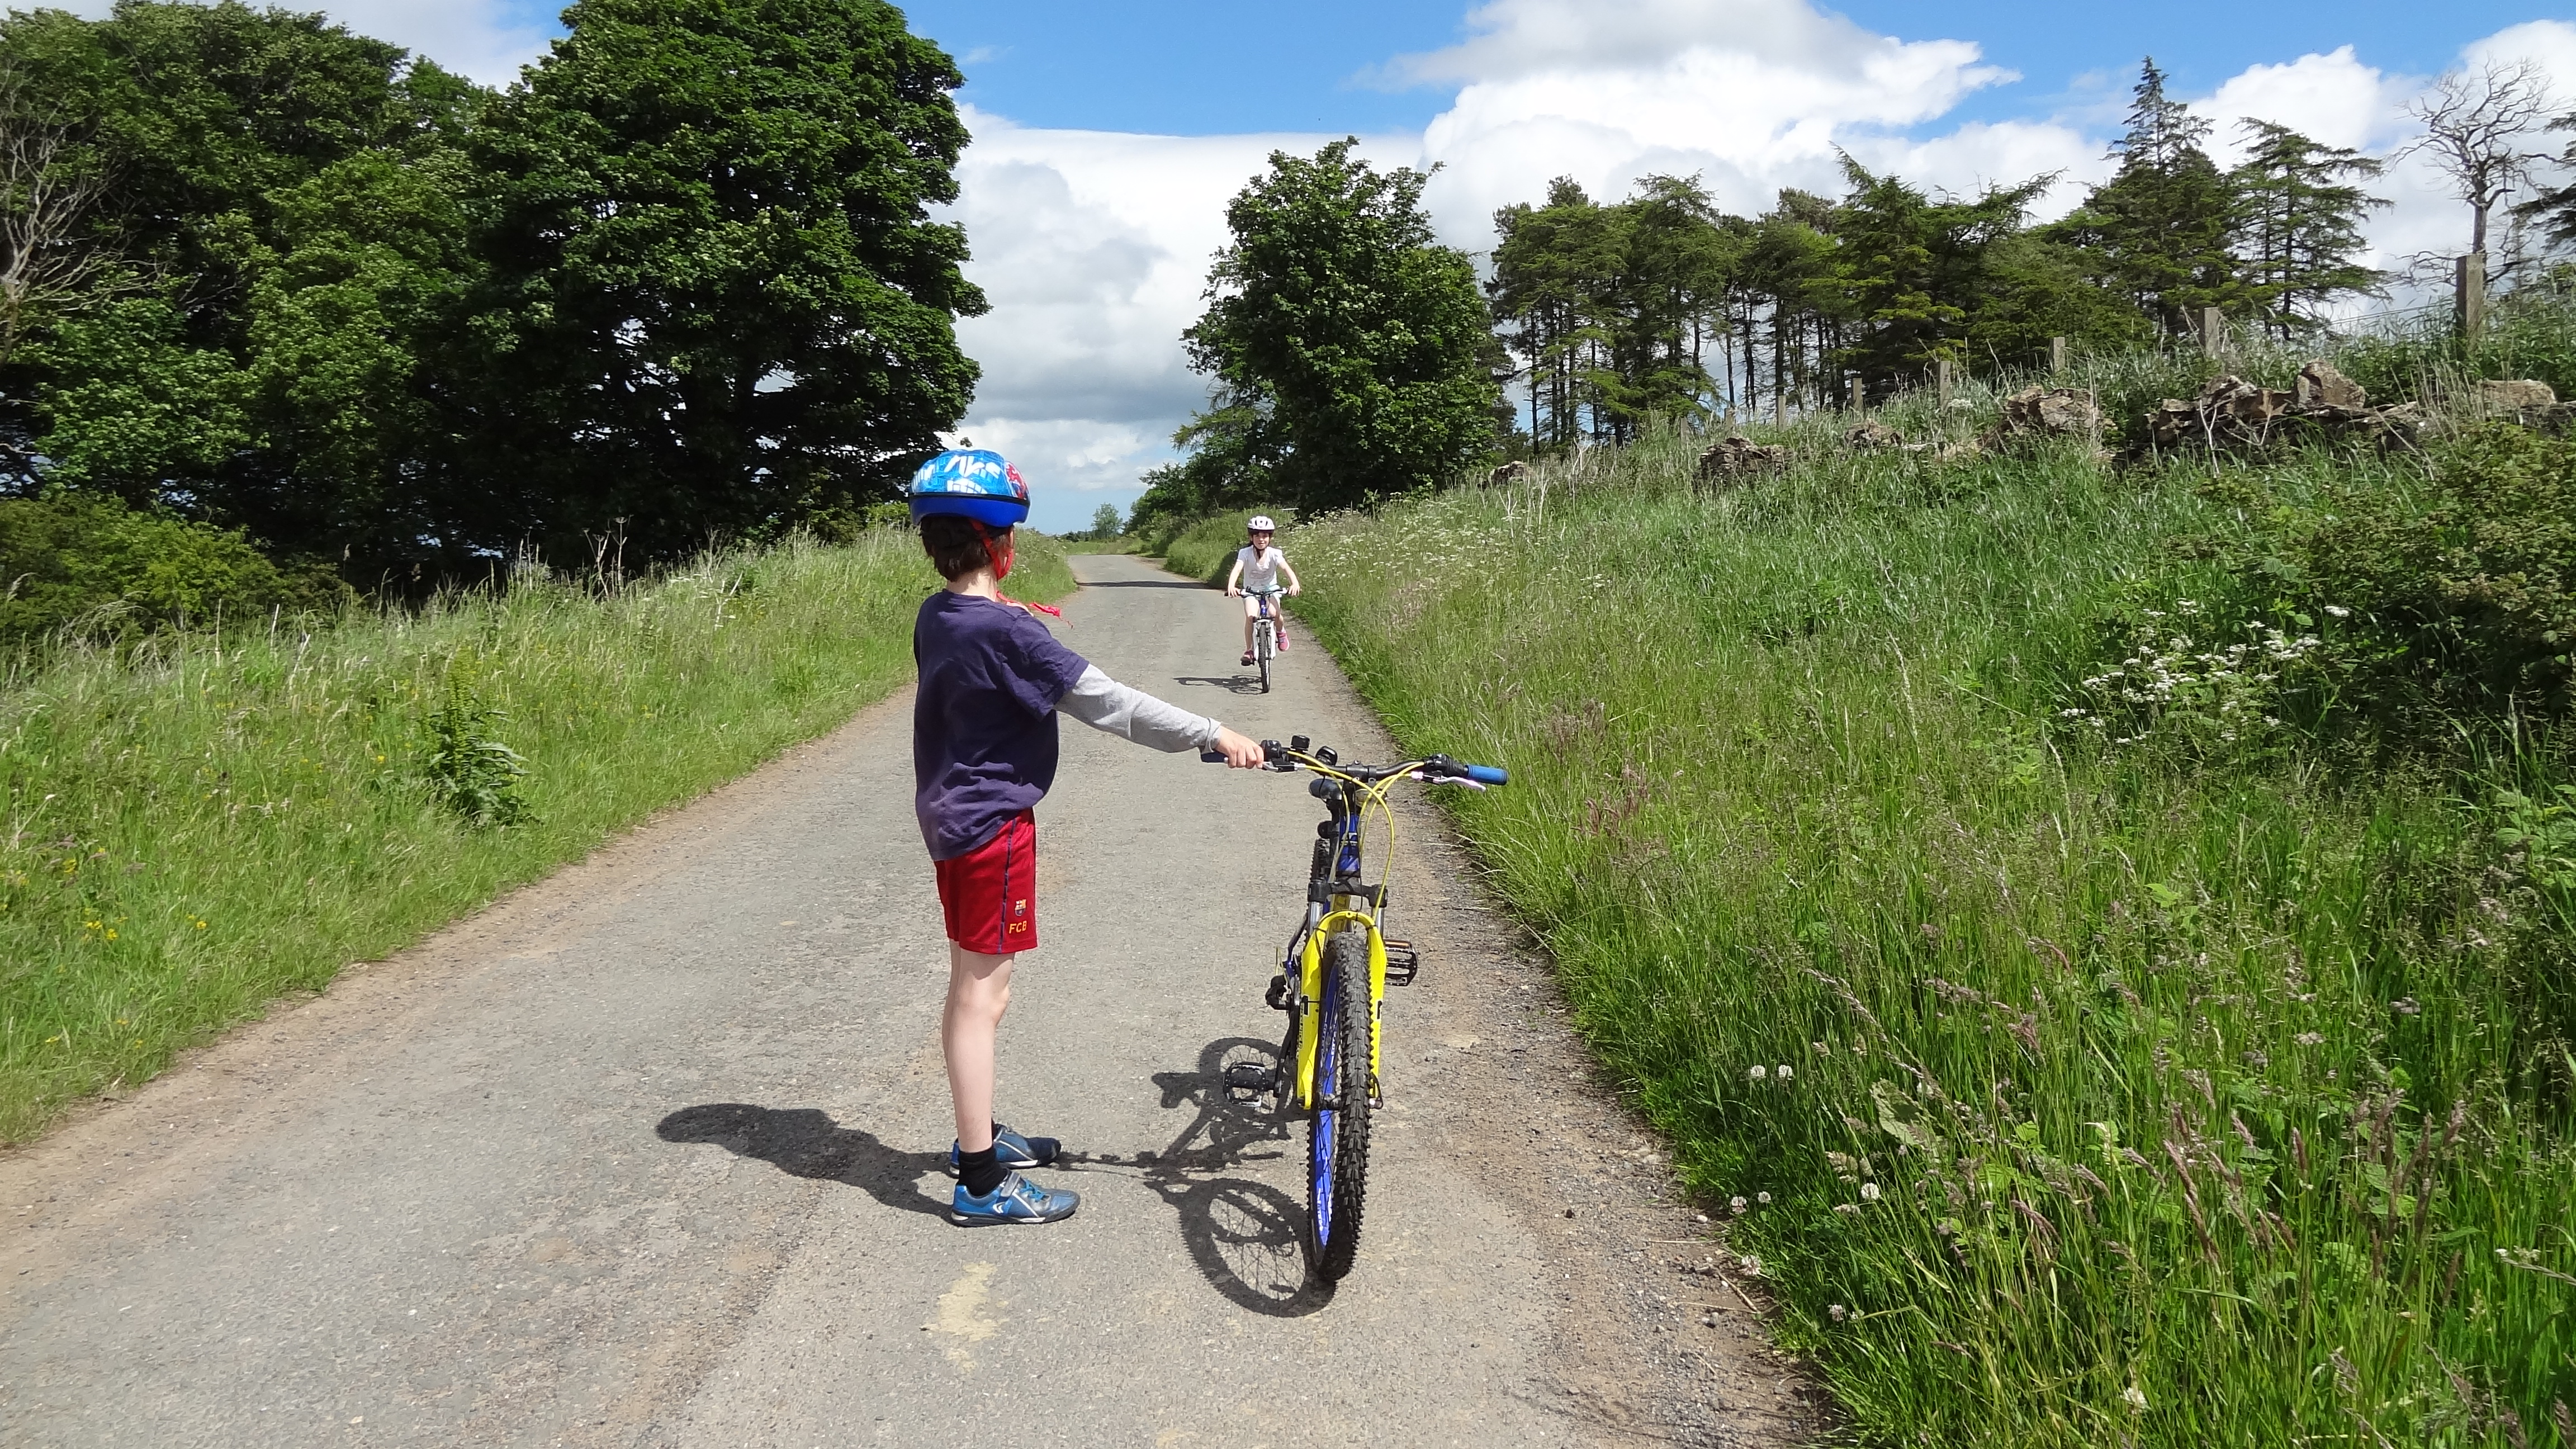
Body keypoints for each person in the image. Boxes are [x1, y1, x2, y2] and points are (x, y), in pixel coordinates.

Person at [907, 447, 1265, 1225]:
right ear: (1003, 543)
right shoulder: (1010, 633)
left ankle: (980, 1138)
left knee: (972, 985)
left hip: (952, 814)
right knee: (982, 997)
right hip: (992, 827)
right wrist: (1213, 732)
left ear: (935, 544)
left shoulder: (940, 615)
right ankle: (980, 1182)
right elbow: (1113, 705)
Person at [1223, 515, 1301, 667]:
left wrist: (1295, 584)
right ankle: (1250, 650)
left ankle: (1281, 632)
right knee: (1251, 617)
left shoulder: (1275, 553)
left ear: (1270, 537)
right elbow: (1237, 569)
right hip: (1251, 591)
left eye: (1265, 536)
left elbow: (1286, 569)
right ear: (1251, 537)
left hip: (1271, 590)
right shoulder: (1245, 553)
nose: (1261, 539)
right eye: (1257, 536)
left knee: (1275, 614)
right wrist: (1231, 586)